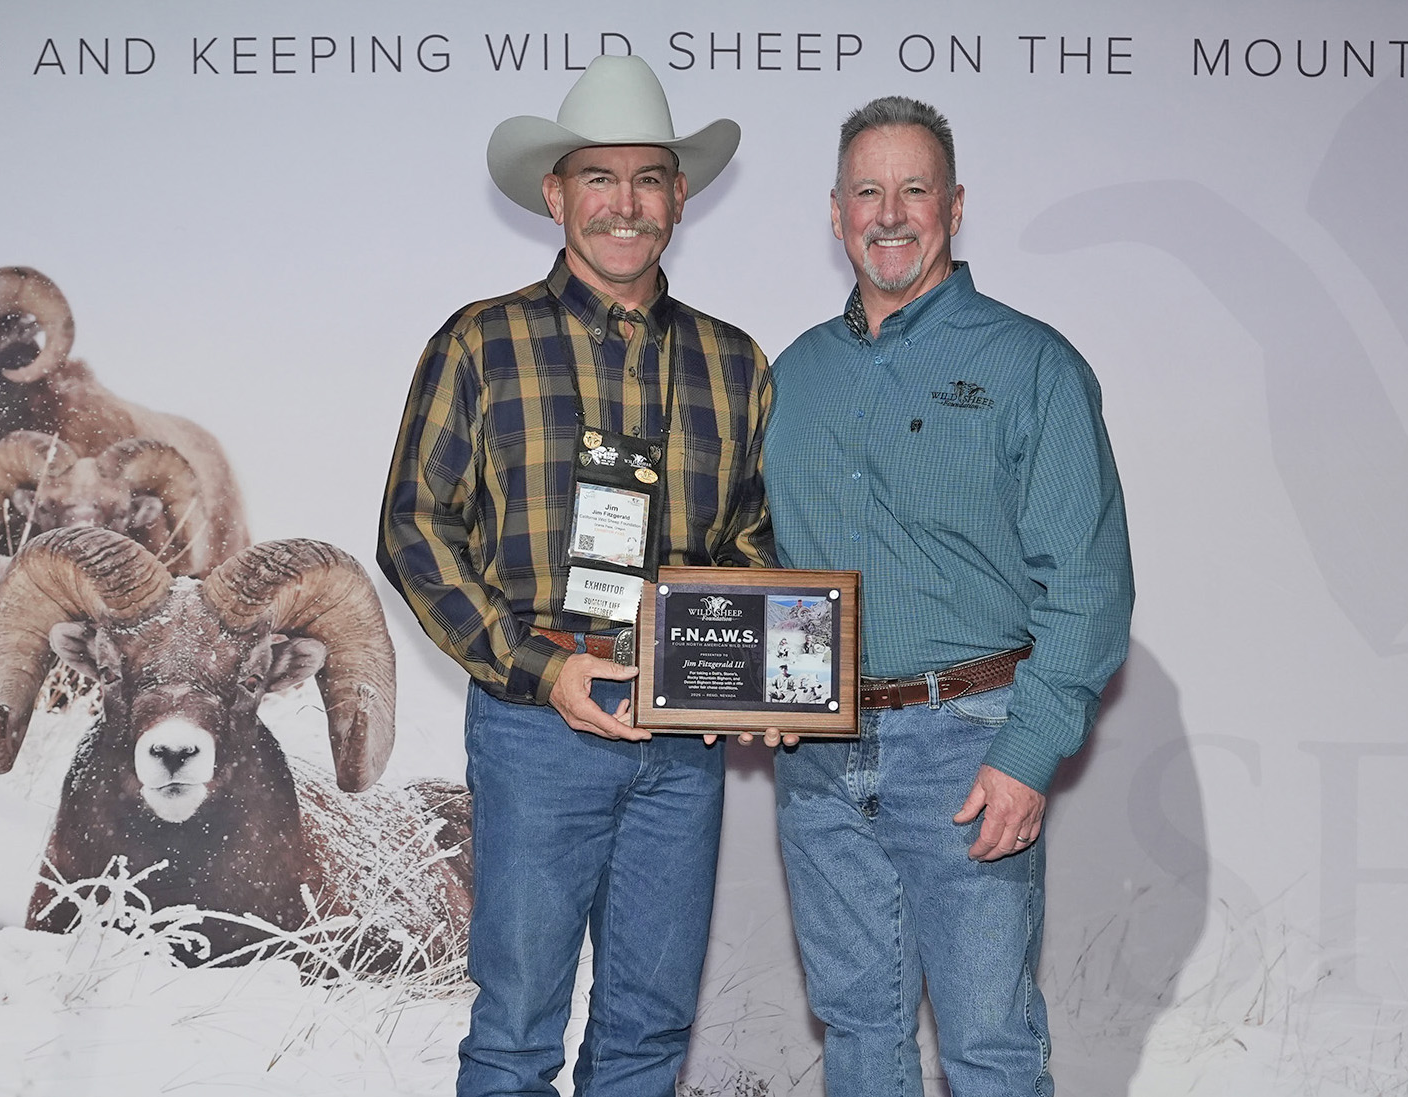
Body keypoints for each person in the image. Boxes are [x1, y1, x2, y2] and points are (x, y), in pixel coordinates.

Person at [376, 55, 771, 1097]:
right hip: (536, 726)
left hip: (679, 739)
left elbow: (753, 538)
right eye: (599, 178)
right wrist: (542, 670)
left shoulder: (735, 363)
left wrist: (731, 676)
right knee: (515, 1029)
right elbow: (413, 527)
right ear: (555, 195)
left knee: (649, 1027)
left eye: (648, 179)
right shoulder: (481, 342)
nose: (624, 204)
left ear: (679, 197)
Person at [762, 96, 1134, 1096]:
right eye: (867, 192)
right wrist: (752, 683)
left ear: (954, 207)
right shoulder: (792, 376)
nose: (890, 215)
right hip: (818, 761)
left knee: (987, 1044)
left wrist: (1026, 752)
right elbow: (761, 559)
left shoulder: (1030, 363)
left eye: (913, 190)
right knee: (856, 1033)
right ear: (835, 213)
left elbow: (1089, 581)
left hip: (967, 746)